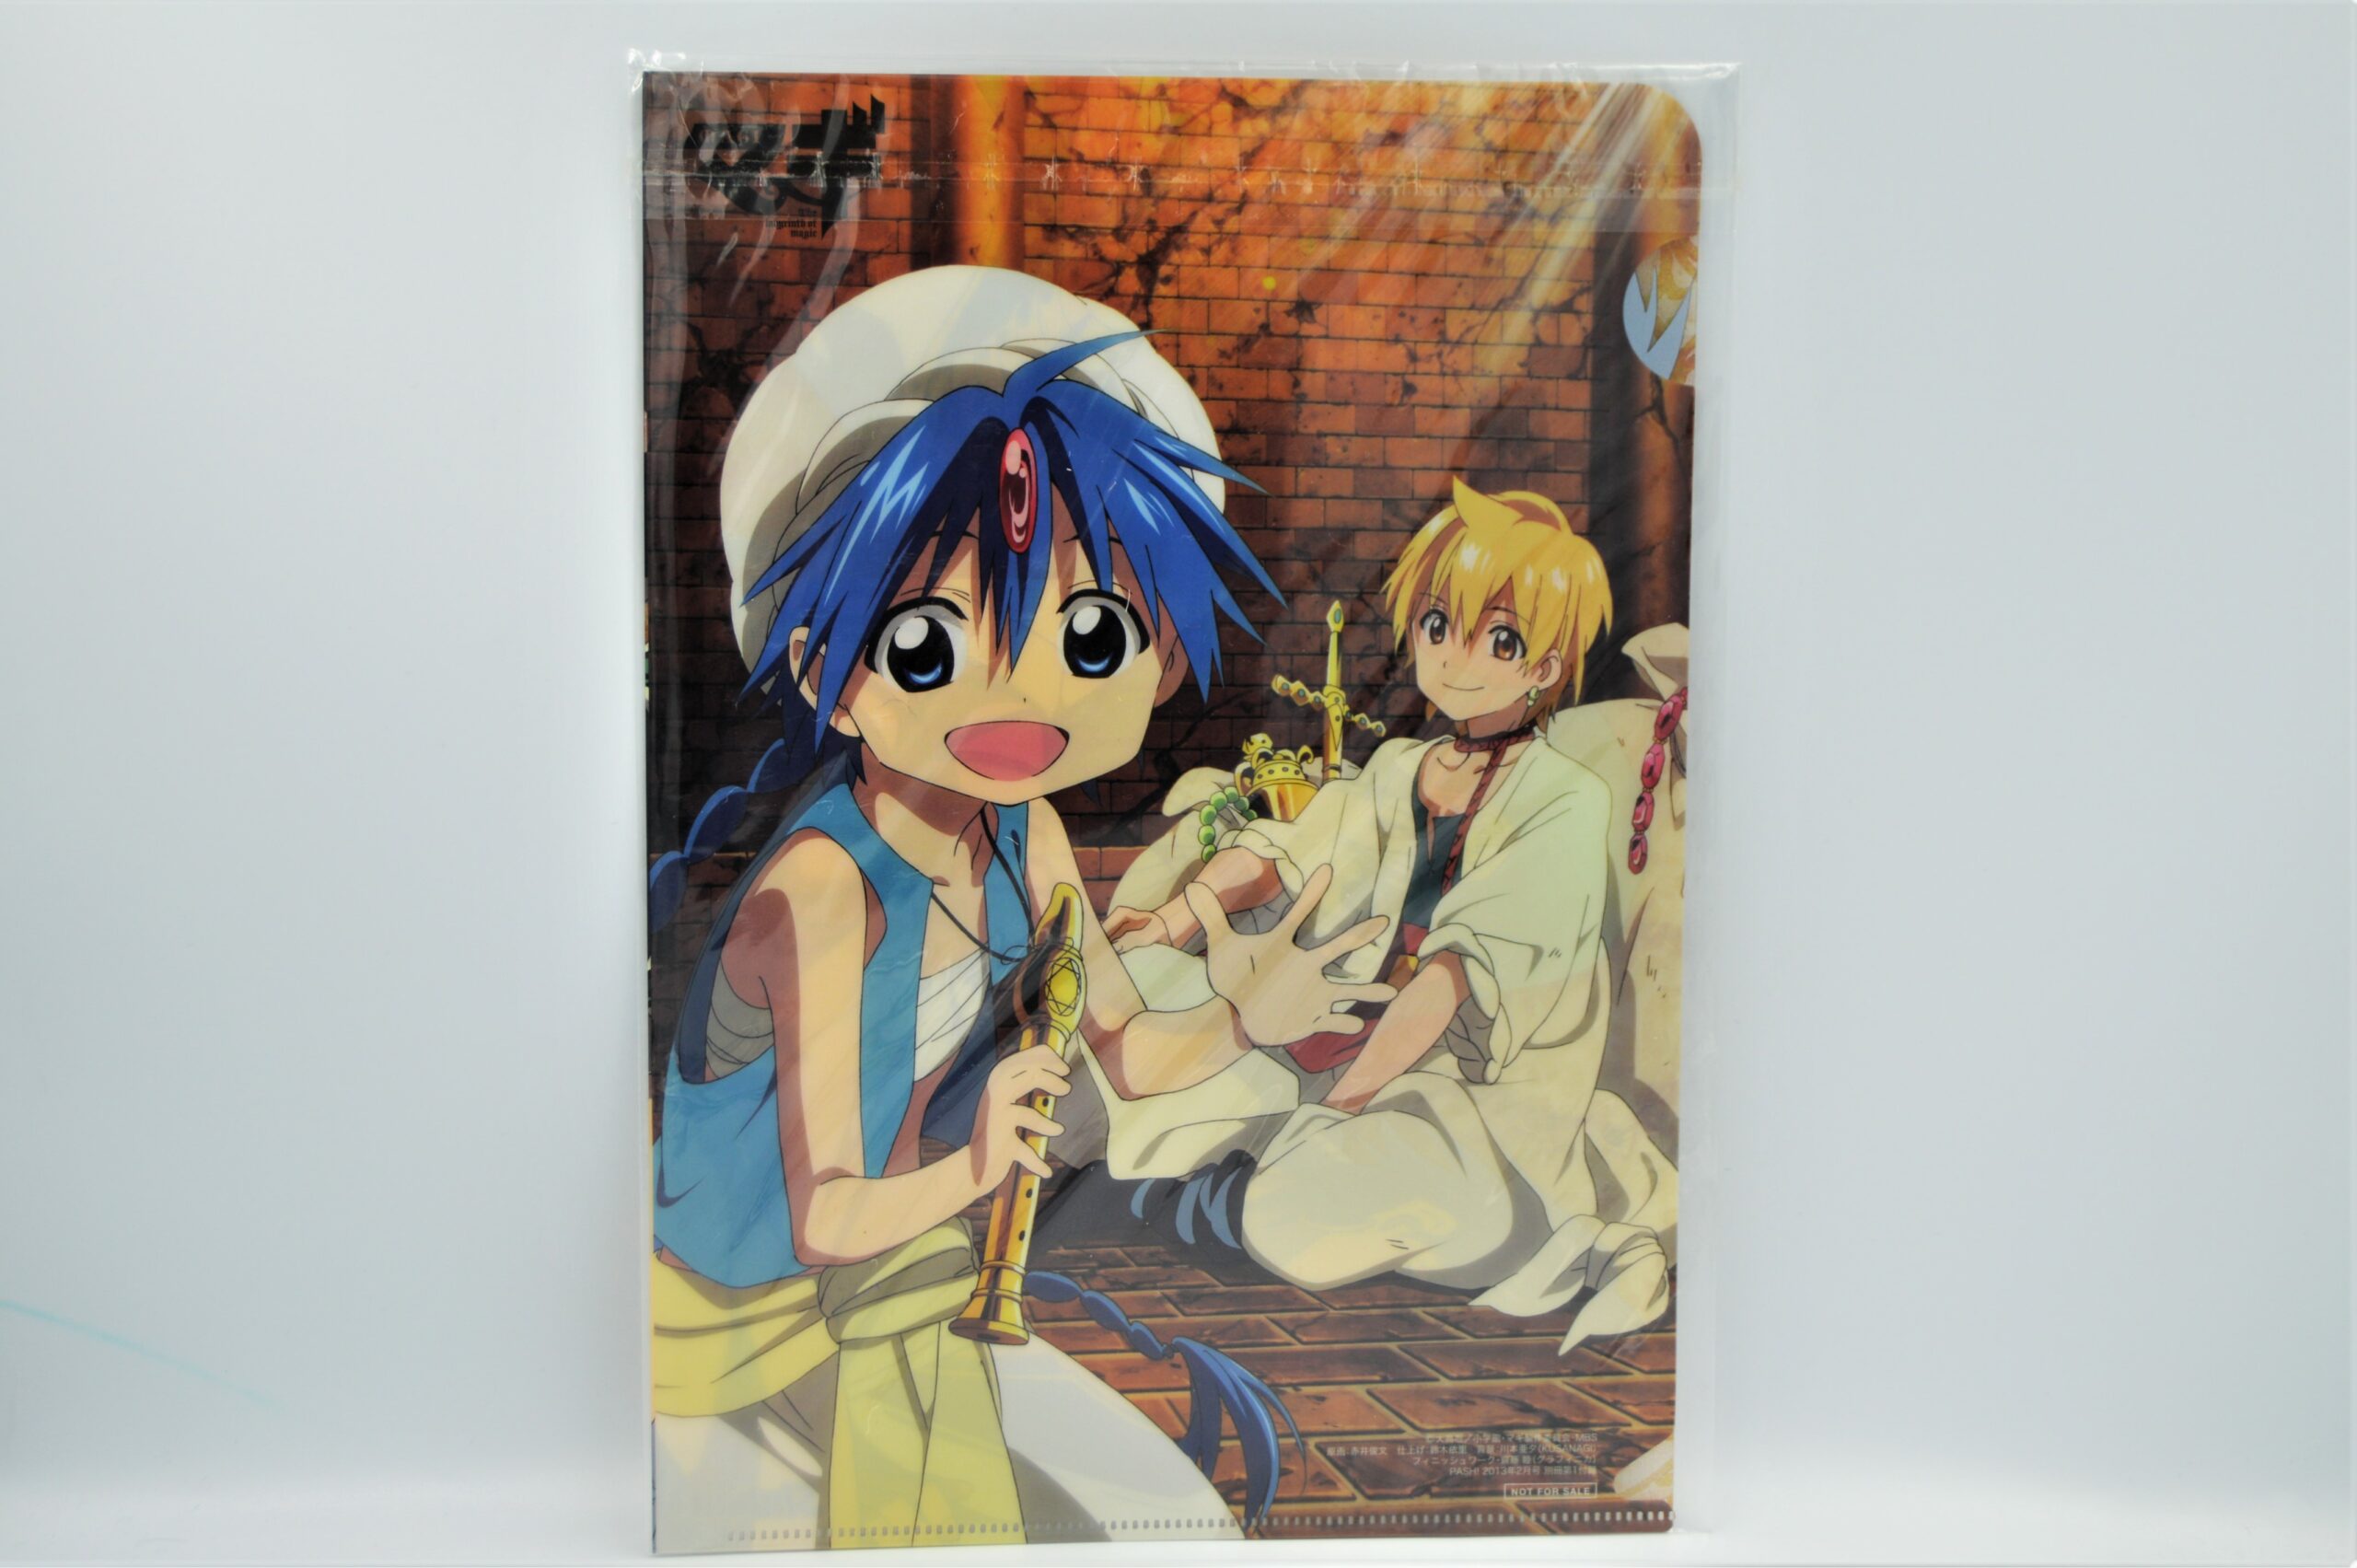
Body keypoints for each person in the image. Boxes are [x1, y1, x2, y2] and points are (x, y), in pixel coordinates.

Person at [644, 268, 1387, 1552]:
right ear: (825, 668)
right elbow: (826, 1214)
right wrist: (981, 1161)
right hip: (736, 1311)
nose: (1018, 692)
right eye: (926, 646)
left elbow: (1125, 1046)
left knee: (1163, 1514)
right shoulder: (822, 886)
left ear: (1157, 651)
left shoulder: (1021, 828)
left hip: (898, 1272)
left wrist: (1242, 1016)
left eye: (1089, 635)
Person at [1084, 478, 1678, 1349]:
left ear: (1546, 668)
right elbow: (1288, 855)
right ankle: (1202, 1184)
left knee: (1316, 1199)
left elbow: (1451, 979)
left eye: (1500, 639)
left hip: (1467, 1101)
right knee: (1144, 1008)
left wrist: (1344, 1107)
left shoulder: (1565, 797)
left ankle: (1195, 1197)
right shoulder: (1400, 766)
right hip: (1333, 1045)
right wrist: (1173, 920)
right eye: (1438, 625)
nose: (1456, 658)